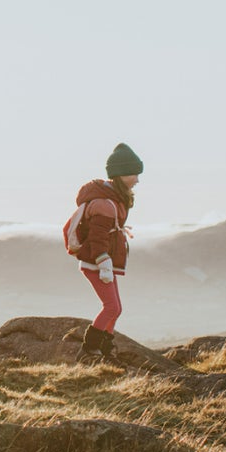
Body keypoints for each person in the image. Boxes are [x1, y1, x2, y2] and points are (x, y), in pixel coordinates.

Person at [70, 143, 143, 362]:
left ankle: (105, 349)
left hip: (103, 262)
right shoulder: (105, 204)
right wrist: (104, 263)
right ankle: (89, 350)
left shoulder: (115, 199)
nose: (137, 180)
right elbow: (97, 238)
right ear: (121, 174)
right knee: (112, 307)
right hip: (97, 263)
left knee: (115, 308)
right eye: (134, 174)